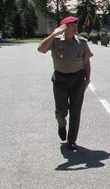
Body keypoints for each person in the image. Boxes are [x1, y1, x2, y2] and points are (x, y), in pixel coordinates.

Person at [37, 16, 93, 151]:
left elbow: (86, 62)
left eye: (76, 25)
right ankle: (61, 124)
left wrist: (87, 80)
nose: (75, 28)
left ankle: (72, 140)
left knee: (76, 111)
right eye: (72, 25)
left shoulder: (82, 42)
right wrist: (53, 34)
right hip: (60, 80)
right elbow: (41, 49)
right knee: (61, 110)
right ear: (64, 28)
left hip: (78, 80)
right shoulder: (55, 41)